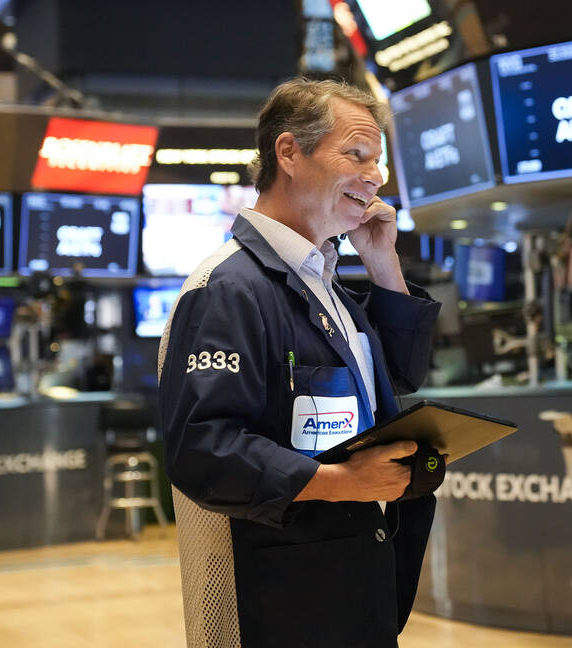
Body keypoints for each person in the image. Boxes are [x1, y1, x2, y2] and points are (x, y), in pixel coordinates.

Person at [157, 79, 441, 648]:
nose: (375, 175)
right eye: (356, 154)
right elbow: (204, 448)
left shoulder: (322, 282)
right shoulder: (230, 289)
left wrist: (383, 264)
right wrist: (341, 483)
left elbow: (399, 378)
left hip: (350, 585)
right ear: (289, 153)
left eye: (378, 161)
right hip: (276, 603)